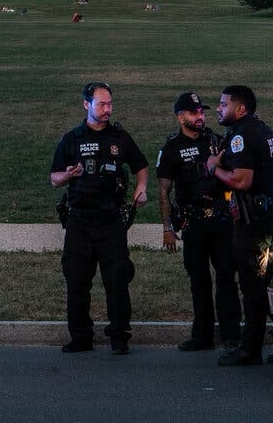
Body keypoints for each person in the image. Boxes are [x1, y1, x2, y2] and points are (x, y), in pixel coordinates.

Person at [50, 80, 147, 355]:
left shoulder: (119, 137)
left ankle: (119, 336)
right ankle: (81, 337)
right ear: (86, 105)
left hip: (111, 221)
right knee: (77, 281)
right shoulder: (71, 139)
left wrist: (141, 188)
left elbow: (140, 165)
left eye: (110, 104)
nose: (107, 110)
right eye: (102, 104)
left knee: (117, 280)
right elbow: (54, 178)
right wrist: (68, 175)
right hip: (80, 221)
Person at [156, 91, 240, 355]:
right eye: (194, 113)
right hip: (193, 224)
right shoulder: (171, 149)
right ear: (181, 117)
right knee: (199, 281)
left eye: (202, 112)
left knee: (227, 278)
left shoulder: (216, 140)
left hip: (221, 220)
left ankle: (231, 336)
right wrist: (168, 228)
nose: (200, 116)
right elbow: (163, 192)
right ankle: (202, 336)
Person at [207, 84, 273, 367]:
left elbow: (242, 181)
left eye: (223, 103)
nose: (218, 107)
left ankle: (250, 349)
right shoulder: (263, 129)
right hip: (267, 217)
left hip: (252, 222)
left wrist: (214, 168)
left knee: (253, 285)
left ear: (240, 109)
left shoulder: (241, 135)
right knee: (271, 280)